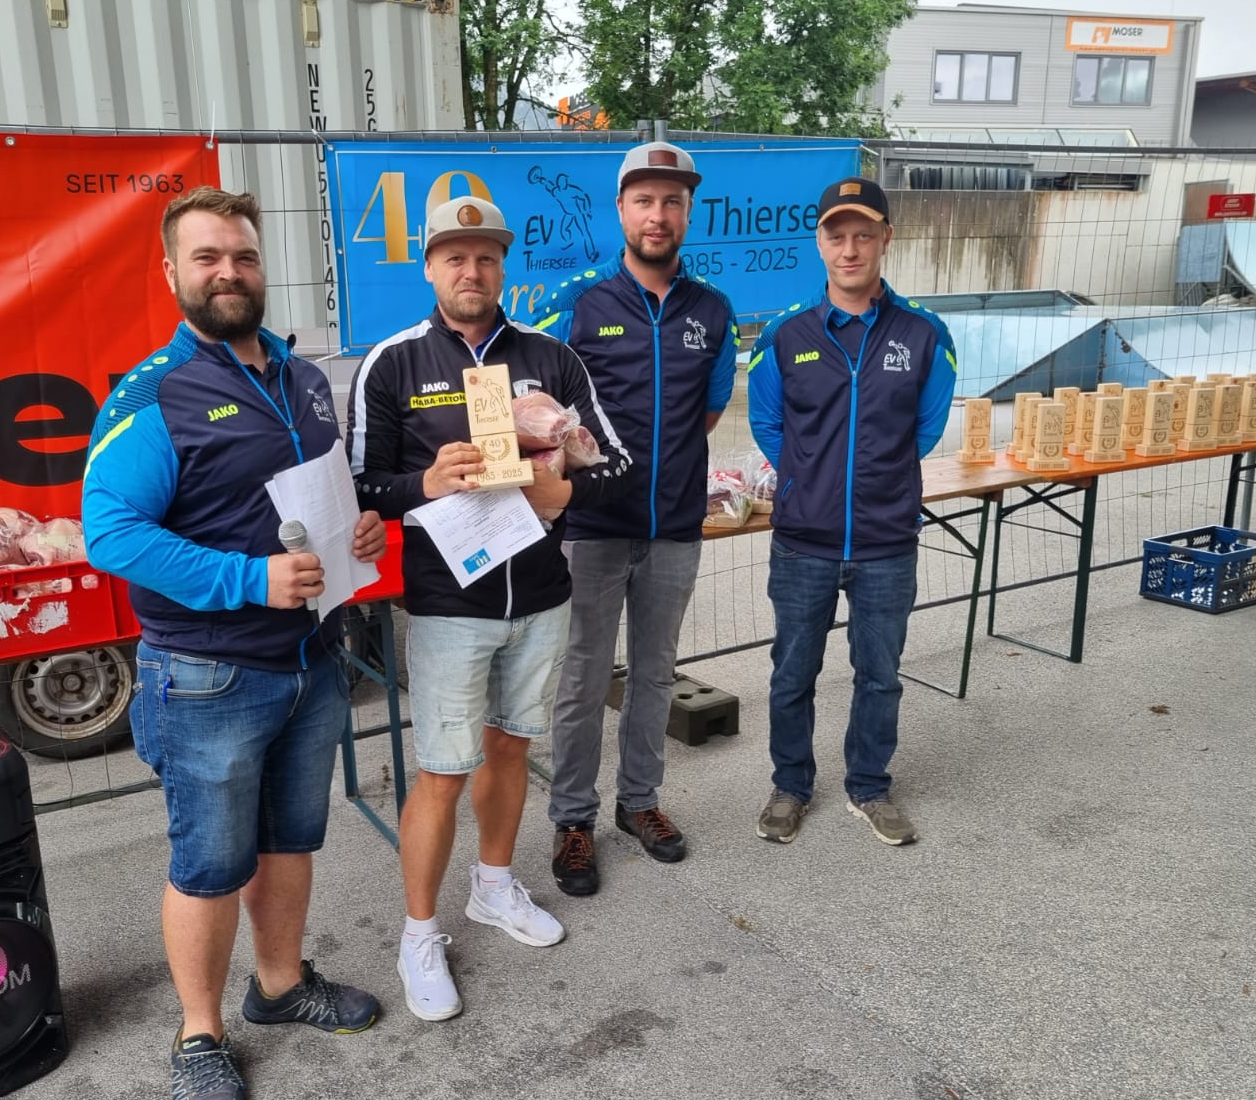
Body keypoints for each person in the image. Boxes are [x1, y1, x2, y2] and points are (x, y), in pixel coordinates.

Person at [83, 186, 386, 1100]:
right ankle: (200, 1036)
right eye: (207, 257)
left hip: (312, 660)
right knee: (210, 862)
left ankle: (281, 984)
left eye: (244, 256)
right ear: (171, 273)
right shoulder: (154, 393)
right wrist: (249, 579)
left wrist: (358, 529)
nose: (229, 272)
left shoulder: (303, 379)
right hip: (208, 673)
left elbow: (314, 495)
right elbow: (110, 532)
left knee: (291, 840)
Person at [346, 194, 632, 1021]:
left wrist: (562, 489)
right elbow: (360, 485)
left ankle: (494, 887)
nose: (471, 271)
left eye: (485, 257)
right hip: (448, 604)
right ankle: (418, 934)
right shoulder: (392, 363)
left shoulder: (551, 357)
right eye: (454, 257)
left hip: (540, 598)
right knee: (442, 770)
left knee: (510, 750)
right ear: (429, 267)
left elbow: (613, 462)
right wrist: (425, 482)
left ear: (503, 267)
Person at [534, 142, 739, 896]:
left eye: (672, 201)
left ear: (688, 211)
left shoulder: (712, 310)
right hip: (592, 528)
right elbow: (539, 407)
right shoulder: (579, 301)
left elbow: (708, 411)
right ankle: (573, 818)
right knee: (583, 679)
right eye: (645, 200)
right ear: (620, 209)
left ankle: (639, 802)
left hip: (674, 526)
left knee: (655, 674)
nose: (659, 215)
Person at [746, 176, 956, 847]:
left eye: (864, 234)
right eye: (837, 236)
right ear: (820, 243)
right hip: (802, 543)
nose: (850, 249)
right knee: (791, 674)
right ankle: (791, 785)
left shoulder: (924, 333)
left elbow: (925, 428)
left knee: (881, 676)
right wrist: (809, 477)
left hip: (886, 542)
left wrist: (879, 480)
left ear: (886, 238)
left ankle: (870, 786)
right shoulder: (785, 334)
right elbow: (767, 423)